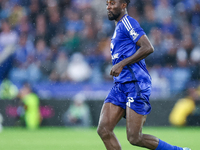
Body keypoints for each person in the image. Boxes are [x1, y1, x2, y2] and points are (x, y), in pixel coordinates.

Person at [97, 0, 191, 150]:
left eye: (112, 3)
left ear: (123, 5)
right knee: (103, 129)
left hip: (135, 84)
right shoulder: (118, 26)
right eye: (107, 3)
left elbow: (148, 47)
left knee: (135, 138)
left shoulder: (128, 22)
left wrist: (121, 63)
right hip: (120, 85)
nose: (108, 6)